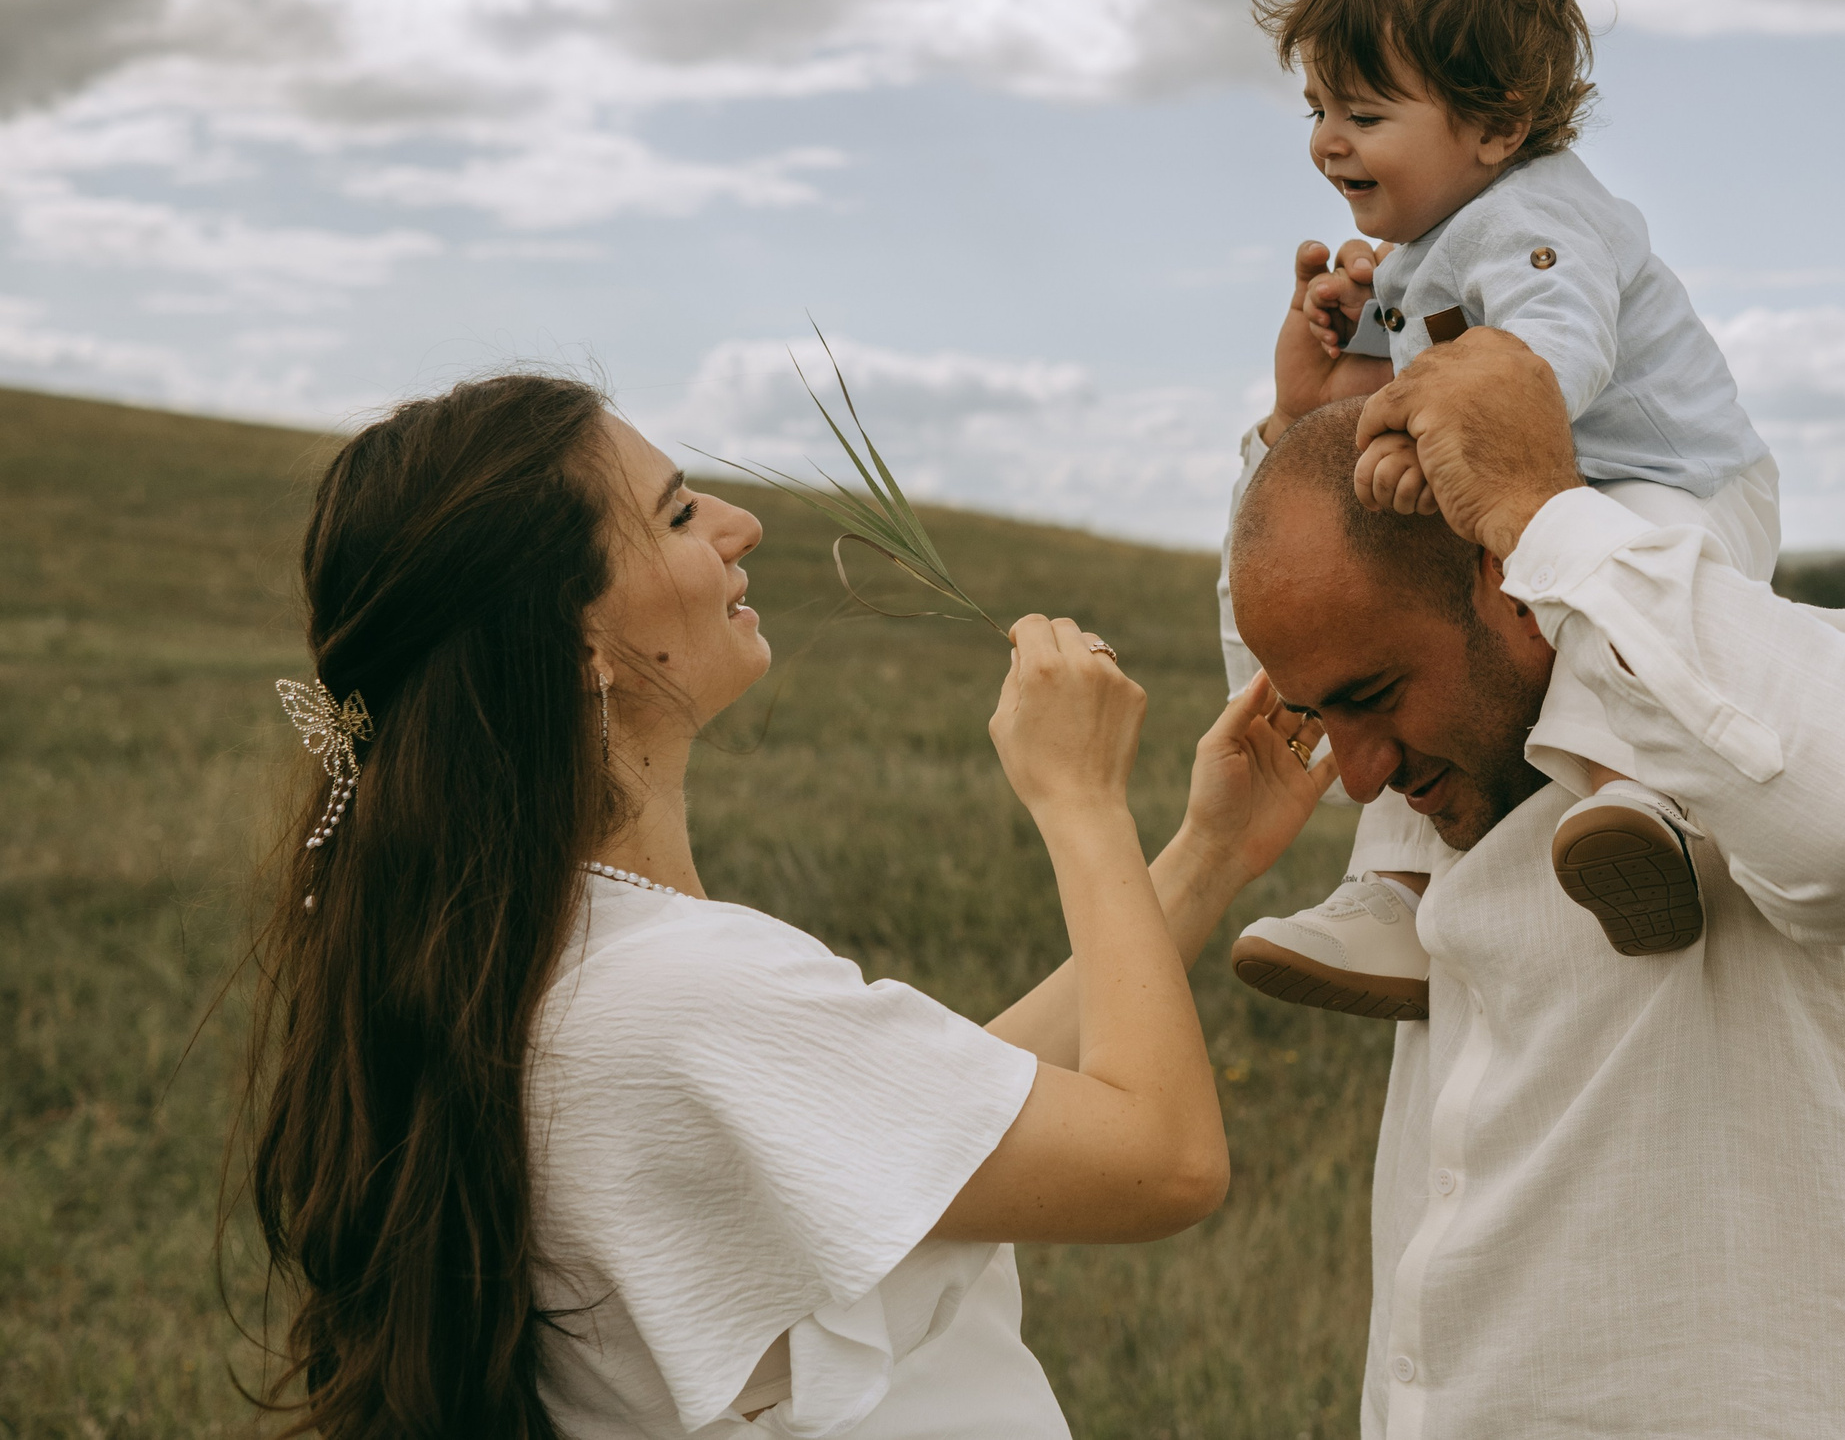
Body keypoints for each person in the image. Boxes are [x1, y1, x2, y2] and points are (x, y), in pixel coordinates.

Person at [241, 373, 1331, 1438]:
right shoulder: (678, 988)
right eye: (677, 514)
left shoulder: (556, 957)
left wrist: (1206, 858)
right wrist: (1081, 801)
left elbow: (917, 1116)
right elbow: (1164, 1161)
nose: (741, 524)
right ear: (578, 645)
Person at [1225, 330, 1845, 1437]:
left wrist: (1542, 508)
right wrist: (1299, 439)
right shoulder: (1458, 790)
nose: (1357, 774)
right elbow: (1329, 646)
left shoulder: (1812, 702)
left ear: (1509, 578)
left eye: (1372, 697)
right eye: (1322, 715)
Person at [1227, 0, 1779, 1020]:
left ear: (1495, 125)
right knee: (1416, 645)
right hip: (1552, 486)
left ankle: (1643, 806)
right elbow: (1416, 370)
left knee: (1618, 596)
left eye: (1364, 115)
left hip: (1674, 481)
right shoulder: (1425, 249)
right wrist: (1342, 374)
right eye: (1318, 110)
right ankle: (1398, 893)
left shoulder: (1536, 217)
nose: (1327, 143)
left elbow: (1551, 354)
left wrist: (1435, 434)